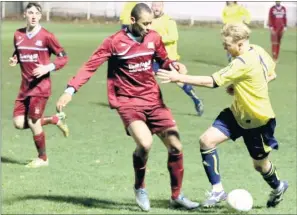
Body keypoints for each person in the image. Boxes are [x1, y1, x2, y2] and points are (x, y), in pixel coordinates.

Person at [56, 3, 199, 212]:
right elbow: (90, 66)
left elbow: (164, 60)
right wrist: (70, 90)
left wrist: (175, 66)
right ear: (132, 21)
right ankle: (140, 187)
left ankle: (176, 196)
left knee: (176, 146)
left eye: (151, 23)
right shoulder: (114, 42)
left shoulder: (153, 38)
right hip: (128, 101)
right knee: (145, 143)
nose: (149, 28)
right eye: (145, 24)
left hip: (153, 100)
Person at [157, 23, 288, 208]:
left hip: (258, 120)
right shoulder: (257, 50)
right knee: (206, 141)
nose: (224, 47)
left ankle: (278, 186)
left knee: (260, 165)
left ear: (240, 43)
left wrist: (179, 78)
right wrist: (244, 85)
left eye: (227, 44)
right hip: (237, 113)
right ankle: (217, 190)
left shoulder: (241, 63)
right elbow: (271, 74)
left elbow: (211, 81)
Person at [9, 2, 69, 168]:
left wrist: (47, 67)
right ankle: (55, 119)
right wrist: (15, 58)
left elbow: (63, 57)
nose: (33, 16)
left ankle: (43, 158)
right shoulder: (18, 35)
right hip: (25, 87)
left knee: (33, 121)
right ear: (25, 15)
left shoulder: (47, 36)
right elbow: (19, 51)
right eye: (30, 13)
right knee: (19, 123)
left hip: (41, 87)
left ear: (40, 16)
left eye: (36, 13)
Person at [151, 1, 204, 116]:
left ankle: (197, 100)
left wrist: (157, 39)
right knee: (144, 76)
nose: (156, 8)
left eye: (158, 6)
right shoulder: (149, 21)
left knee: (180, 81)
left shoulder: (169, 21)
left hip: (169, 58)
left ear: (162, 7)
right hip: (154, 58)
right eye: (154, 5)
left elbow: (174, 36)